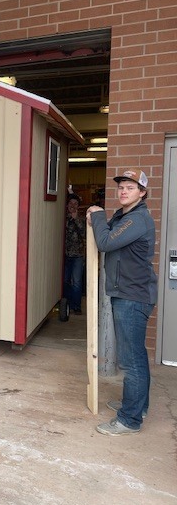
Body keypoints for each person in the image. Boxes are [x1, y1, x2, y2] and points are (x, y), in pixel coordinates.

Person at [86, 168, 157, 436]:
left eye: (130, 187)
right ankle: (138, 406)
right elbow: (109, 233)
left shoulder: (138, 219)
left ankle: (129, 419)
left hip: (132, 297)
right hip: (127, 293)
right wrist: (101, 216)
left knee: (131, 361)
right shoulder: (125, 216)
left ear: (142, 192)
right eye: (121, 187)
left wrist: (97, 213)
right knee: (136, 356)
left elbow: (104, 242)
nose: (124, 191)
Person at [64, 193, 85, 315]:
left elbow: (84, 234)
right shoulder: (63, 217)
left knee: (76, 282)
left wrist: (76, 219)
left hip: (77, 255)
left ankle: (76, 306)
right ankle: (66, 305)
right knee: (65, 281)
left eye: (75, 204)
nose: (72, 206)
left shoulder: (81, 218)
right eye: (71, 203)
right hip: (65, 254)